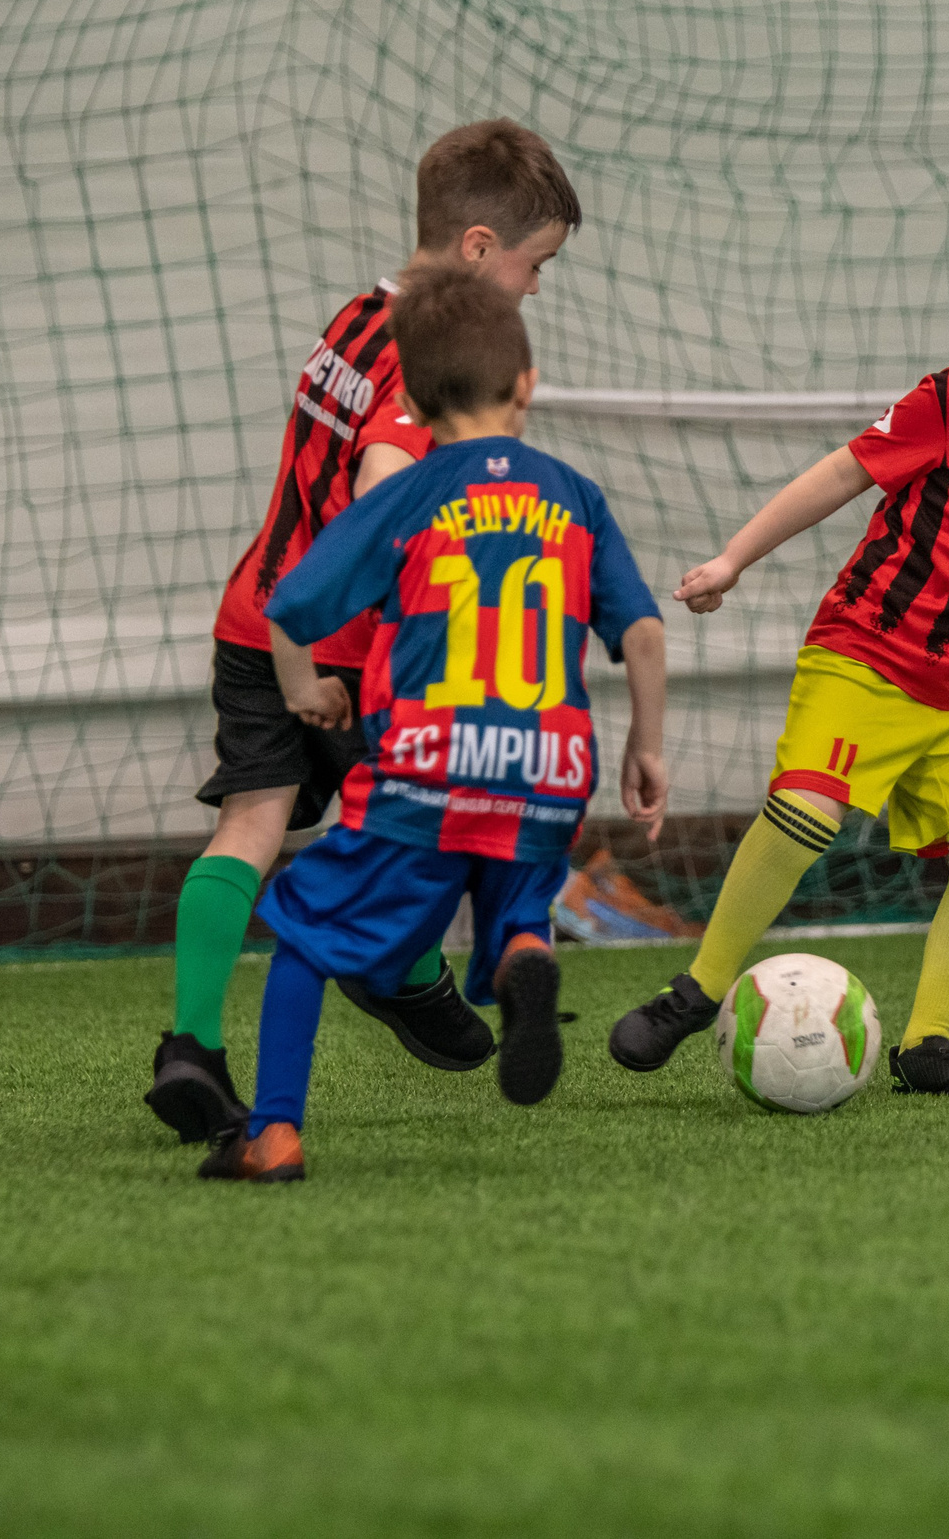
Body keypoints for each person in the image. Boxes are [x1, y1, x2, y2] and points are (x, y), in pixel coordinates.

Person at [606, 215, 949, 1094]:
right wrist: (732, 559)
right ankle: (696, 990)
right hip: (863, 655)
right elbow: (839, 474)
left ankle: (926, 1044)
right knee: (807, 813)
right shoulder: (946, 403)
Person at [146, 120, 580, 1145]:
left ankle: (192, 1047)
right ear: (478, 247)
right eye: (534, 265)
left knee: (249, 825)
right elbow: (379, 490)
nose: (534, 288)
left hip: (254, 616)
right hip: (344, 652)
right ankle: (406, 975)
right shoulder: (426, 361)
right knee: (419, 824)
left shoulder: (354, 316)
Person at [202, 262, 668, 1181]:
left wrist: (305, 690)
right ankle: (523, 948)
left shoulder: (407, 495)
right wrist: (645, 746)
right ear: (527, 384)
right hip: (546, 769)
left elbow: (288, 603)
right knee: (513, 885)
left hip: (427, 768)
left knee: (304, 930)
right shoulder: (575, 495)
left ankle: (273, 1134)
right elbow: (644, 633)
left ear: (411, 401)